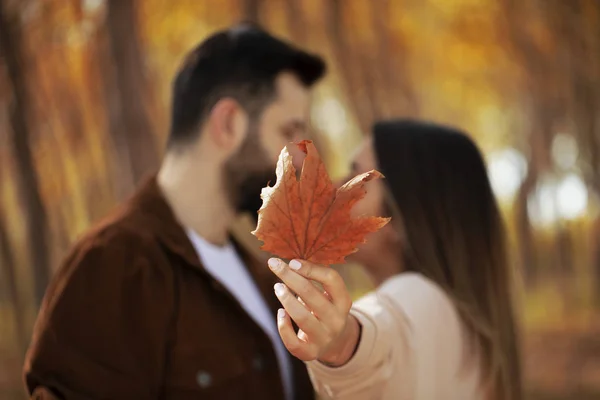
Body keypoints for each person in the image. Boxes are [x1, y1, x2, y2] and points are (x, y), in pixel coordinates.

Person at [23, 23, 325, 400]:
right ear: (228, 124)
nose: (300, 155)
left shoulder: (263, 281)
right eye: (288, 131)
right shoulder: (114, 266)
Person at [267, 120, 523, 400]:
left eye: (355, 174)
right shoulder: (457, 321)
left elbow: (382, 334)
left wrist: (345, 345)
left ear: (398, 221)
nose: (336, 184)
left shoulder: (421, 298)